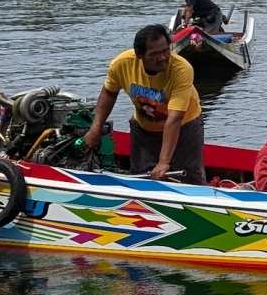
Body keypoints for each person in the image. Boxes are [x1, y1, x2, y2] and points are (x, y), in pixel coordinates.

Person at [81, 24, 206, 183]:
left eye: (165, 50)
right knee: (141, 176)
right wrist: (96, 127)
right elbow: (109, 93)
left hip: (184, 126)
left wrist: (163, 162)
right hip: (144, 127)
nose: (162, 57)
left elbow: (174, 119)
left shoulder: (181, 69)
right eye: (154, 54)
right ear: (139, 55)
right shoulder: (122, 64)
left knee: (190, 177)